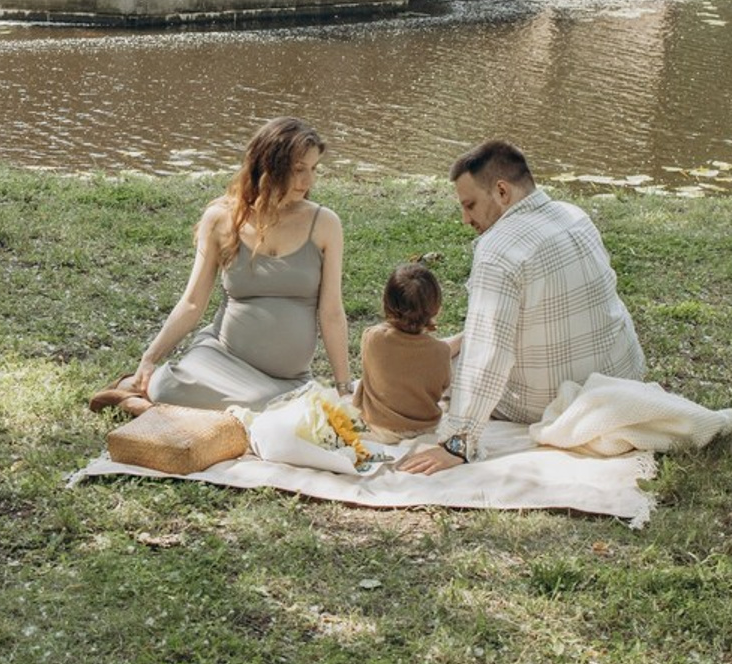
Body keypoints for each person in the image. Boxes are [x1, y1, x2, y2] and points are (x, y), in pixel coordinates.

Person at [399, 139, 645, 475]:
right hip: (619, 376)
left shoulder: (498, 250)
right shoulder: (575, 216)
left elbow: (489, 354)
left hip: (551, 400)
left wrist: (458, 442)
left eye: (470, 205)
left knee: (430, 367)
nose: (464, 218)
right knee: (453, 349)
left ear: (502, 192)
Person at [88, 116, 351, 415]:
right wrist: (149, 357)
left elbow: (331, 312)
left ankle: (140, 404)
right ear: (269, 166)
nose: (308, 181)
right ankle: (145, 388)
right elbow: (192, 302)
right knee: (169, 388)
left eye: (314, 169)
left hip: (284, 379)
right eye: (298, 170)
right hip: (222, 355)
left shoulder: (325, 223)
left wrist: (344, 388)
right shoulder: (221, 218)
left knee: (279, 409)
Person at [353, 262, 452, 443]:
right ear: (436, 308)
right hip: (425, 430)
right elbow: (443, 385)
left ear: (386, 302)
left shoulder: (373, 338)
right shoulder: (441, 351)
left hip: (379, 429)